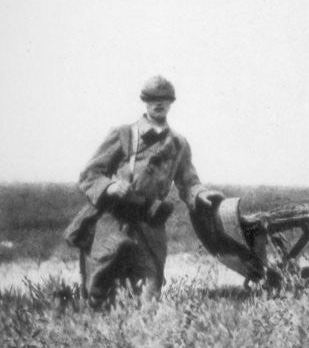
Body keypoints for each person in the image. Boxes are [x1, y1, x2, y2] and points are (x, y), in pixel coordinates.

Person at [67, 76, 224, 307]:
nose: (158, 104)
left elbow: (188, 181)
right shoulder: (123, 134)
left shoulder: (179, 144)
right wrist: (110, 186)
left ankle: (144, 338)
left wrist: (200, 194)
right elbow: (89, 174)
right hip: (114, 221)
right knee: (99, 291)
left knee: (149, 293)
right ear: (145, 102)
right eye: (152, 99)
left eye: (164, 99)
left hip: (149, 225)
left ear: (171, 103)